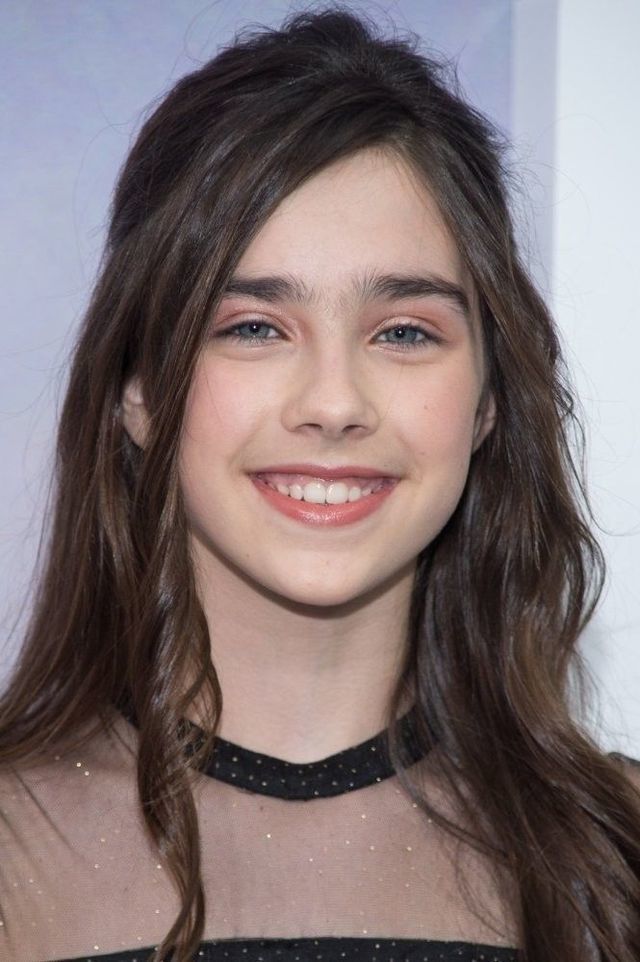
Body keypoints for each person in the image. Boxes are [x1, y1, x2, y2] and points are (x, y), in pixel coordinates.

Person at [1, 7, 639, 962]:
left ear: (488, 403)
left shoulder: (618, 854)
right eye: (254, 328)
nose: (334, 403)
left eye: (405, 331)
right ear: (137, 391)